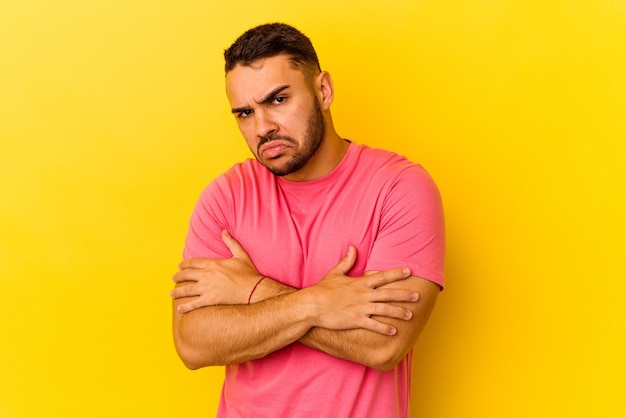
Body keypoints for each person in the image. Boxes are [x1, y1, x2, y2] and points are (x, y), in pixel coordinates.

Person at [170, 22, 445, 418]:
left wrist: (253, 290)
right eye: (245, 113)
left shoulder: (399, 189)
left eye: (278, 100)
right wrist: (317, 303)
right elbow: (193, 344)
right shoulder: (226, 197)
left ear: (323, 90)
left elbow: (383, 345)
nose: (262, 127)